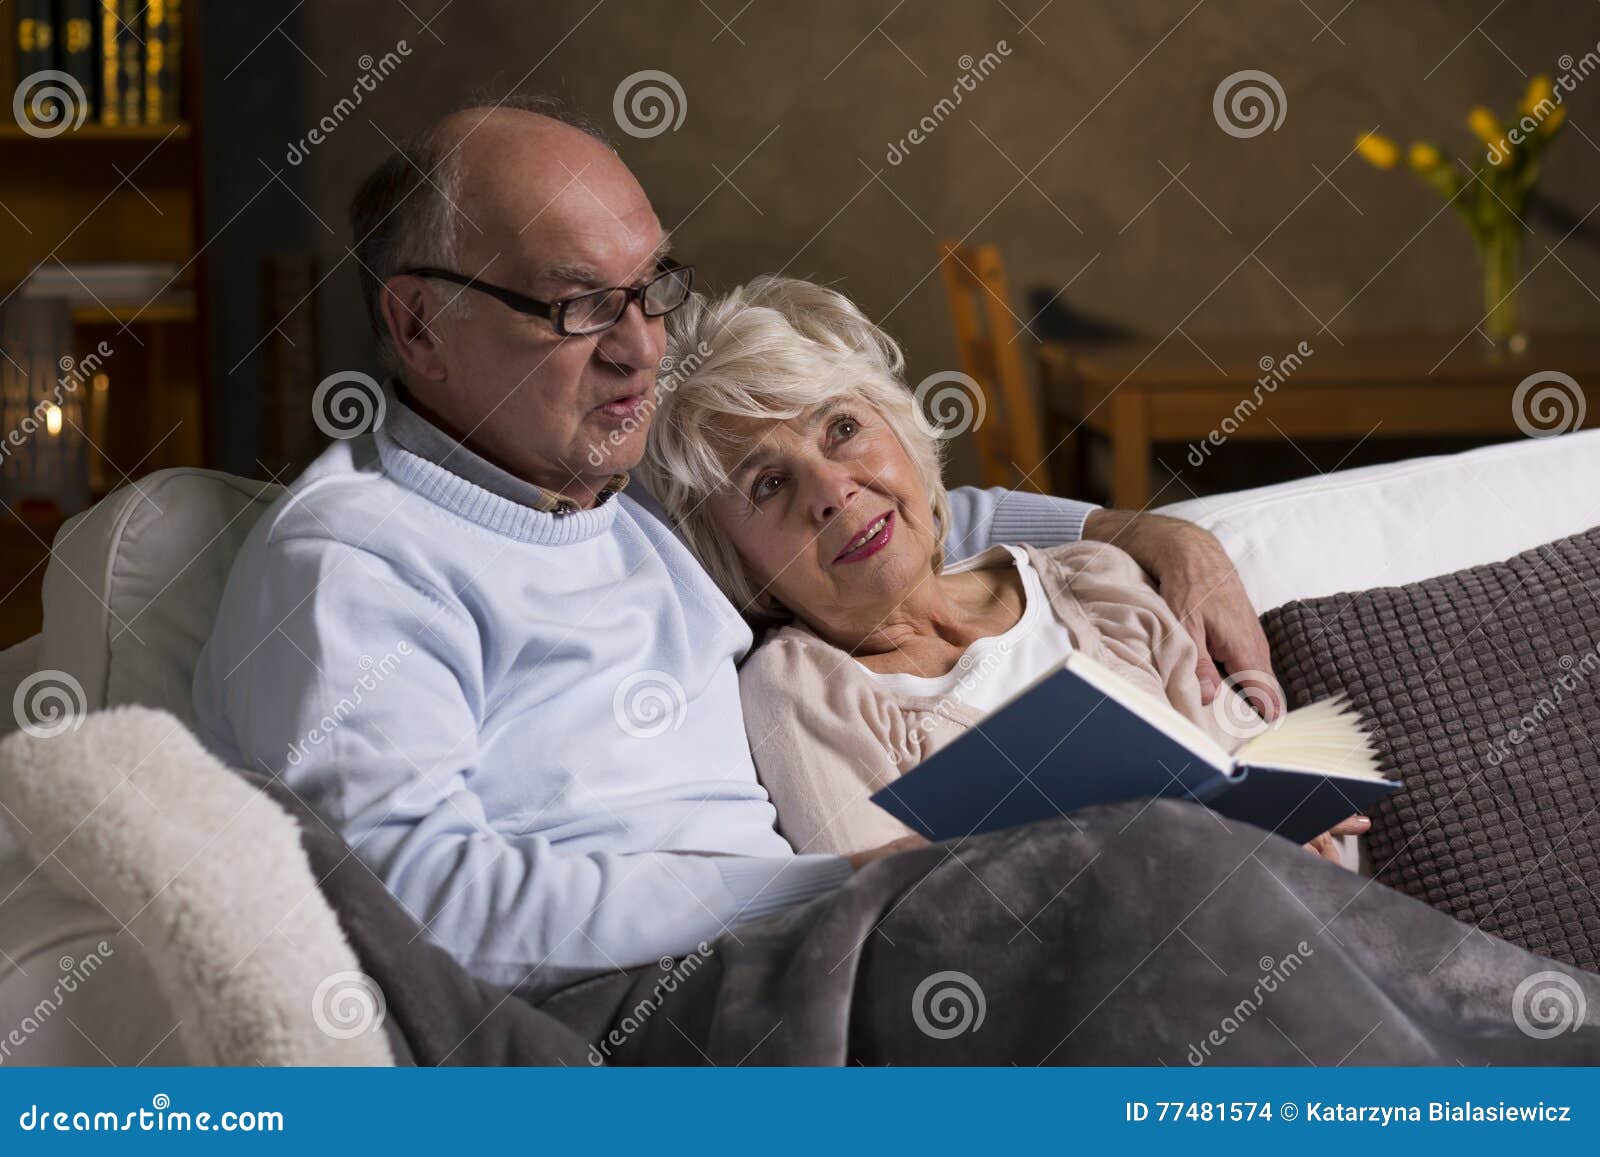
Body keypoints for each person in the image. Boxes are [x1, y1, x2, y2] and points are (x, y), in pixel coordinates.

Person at [191, 95, 1286, 999]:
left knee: (1197, 897)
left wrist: (1147, 532)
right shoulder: (352, 562)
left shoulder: (617, 502)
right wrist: (829, 886)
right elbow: (414, 900)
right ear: (419, 324)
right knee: (1167, 893)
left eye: (652, 290)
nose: (639, 350)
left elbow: (903, 517)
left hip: (801, 959)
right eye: (579, 307)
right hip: (617, 1013)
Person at [638, 275, 1366, 862]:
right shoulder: (800, 690)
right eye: (769, 485)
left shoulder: (1096, 582)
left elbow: (1286, 797)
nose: (831, 492)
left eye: (843, 429)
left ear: (905, 433)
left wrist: (1298, 826)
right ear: (743, 569)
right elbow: (885, 925)